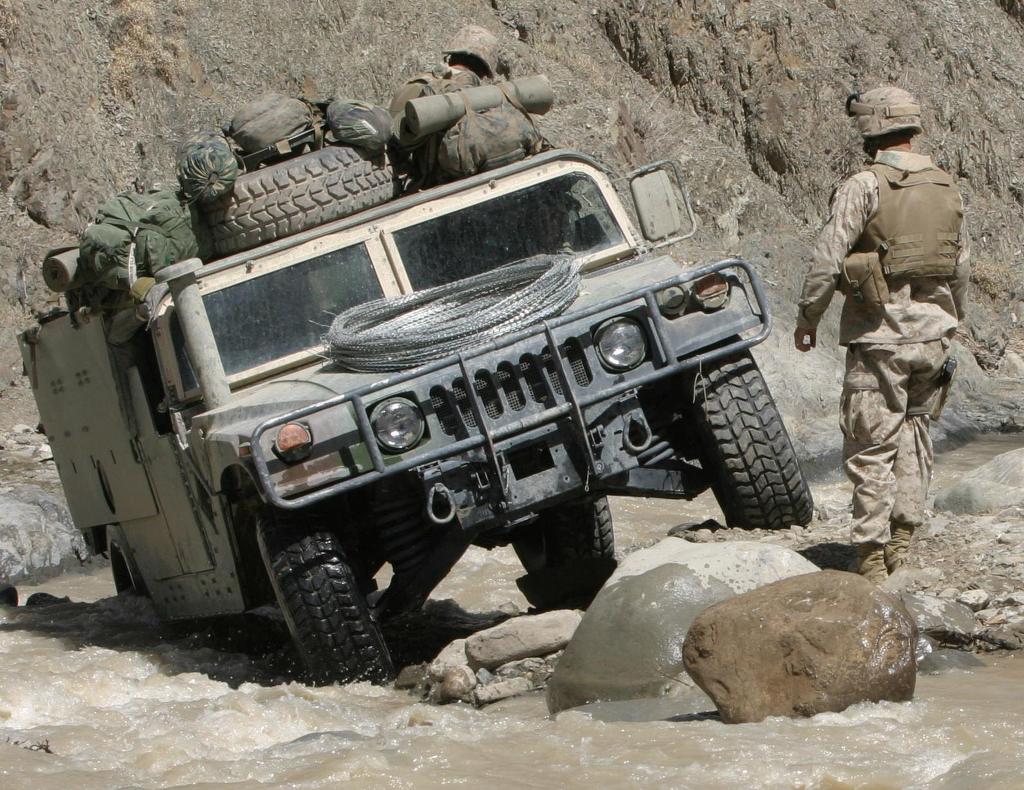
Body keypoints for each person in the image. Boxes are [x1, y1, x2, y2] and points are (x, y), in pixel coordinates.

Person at [794, 86, 971, 583]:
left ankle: (871, 556)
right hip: (933, 337)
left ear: (870, 129)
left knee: (870, 442)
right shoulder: (947, 187)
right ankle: (903, 541)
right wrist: (952, 319)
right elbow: (961, 267)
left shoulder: (864, 185)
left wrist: (808, 318)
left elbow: (829, 256)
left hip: (880, 337)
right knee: (916, 431)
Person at [388, 25, 502, 189]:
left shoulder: (414, 86)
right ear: (483, 70)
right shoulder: (477, 98)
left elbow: (393, 143)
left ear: (450, 57)